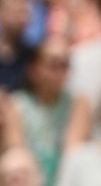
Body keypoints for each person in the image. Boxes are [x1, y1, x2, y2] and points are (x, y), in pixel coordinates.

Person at [5, 37, 92, 186]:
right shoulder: (16, 104)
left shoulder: (78, 103)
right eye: (53, 65)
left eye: (64, 65)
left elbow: (72, 153)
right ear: (33, 69)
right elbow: (17, 153)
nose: (59, 72)